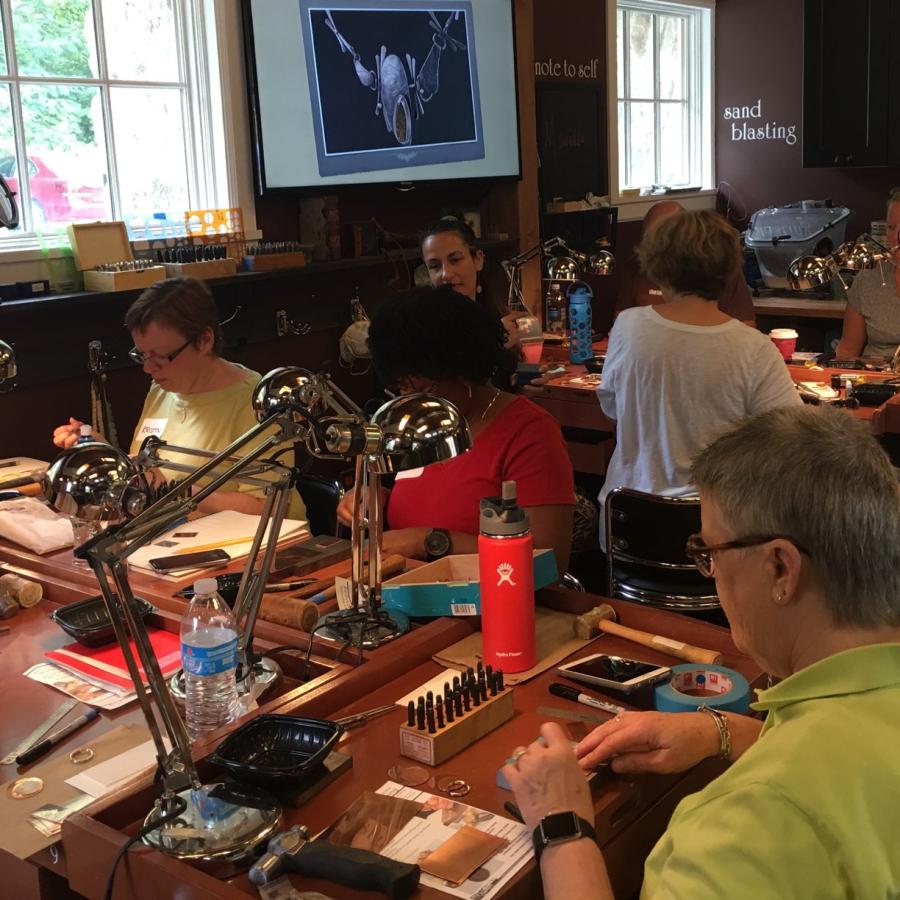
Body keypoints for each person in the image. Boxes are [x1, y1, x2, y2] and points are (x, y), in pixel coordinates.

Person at [503, 405, 900, 899]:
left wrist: (561, 823)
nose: (711, 574)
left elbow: (806, 789)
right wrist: (723, 731)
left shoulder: (750, 825)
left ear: (780, 568)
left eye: (710, 554)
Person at [597, 209, 799, 547]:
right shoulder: (754, 348)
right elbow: (789, 440)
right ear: (729, 269)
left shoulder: (627, 327)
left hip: (627, 529)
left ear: (655, 265)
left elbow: (611, 410)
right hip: (717, 539)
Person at [338, 286, 575, 571]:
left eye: (424, 387)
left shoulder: (530, 432)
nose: (410, 398)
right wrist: (376, 498)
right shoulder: (421, 425)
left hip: (489, 593)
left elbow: (548, 562)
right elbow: (430, 494)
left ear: (462, 370)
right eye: (400, 387)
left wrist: (431, 541)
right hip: (409, 585)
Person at [52, 277, 304, 518]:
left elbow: (270, 508)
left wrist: (174, 491)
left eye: (160, 356)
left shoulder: (257, 403)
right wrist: (101, 450)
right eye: (142, 355)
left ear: (204, 340)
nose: (148, 368)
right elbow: (148, 471)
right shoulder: (163, 388)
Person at [615, 200, 756, 327]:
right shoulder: (636, 265)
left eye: (661, 242)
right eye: (649, 241)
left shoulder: (717, 266)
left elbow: (746, 324)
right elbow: (620, 321)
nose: (654, 250)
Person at [420, 214, 523, 386]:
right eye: (435, 266)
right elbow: (450, 388)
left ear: (478, 259)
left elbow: (505, 386)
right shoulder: (423, 328)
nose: (445, 274)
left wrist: (524, 386)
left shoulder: (496, 315)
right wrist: (493, 343)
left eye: (455, 260)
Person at [834, 187, 900, 359]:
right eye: (891, 227)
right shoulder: (870, 277)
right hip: (873, 373)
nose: (896, 237)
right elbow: (848, 350)